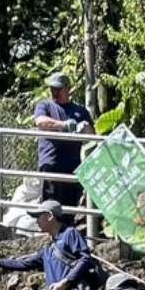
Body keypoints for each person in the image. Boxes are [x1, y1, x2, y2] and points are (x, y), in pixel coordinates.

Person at [32, 71, 94, 207]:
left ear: (68, 88)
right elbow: (40, 121)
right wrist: (64, 125)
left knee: (70, 208)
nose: (54, 92)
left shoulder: (80, 111)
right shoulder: (45, 105)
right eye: (52, 89)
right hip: (51, 166)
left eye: (58, 89)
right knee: (50, 207)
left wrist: (85, 128)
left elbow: (91, 138)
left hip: (73, 168)